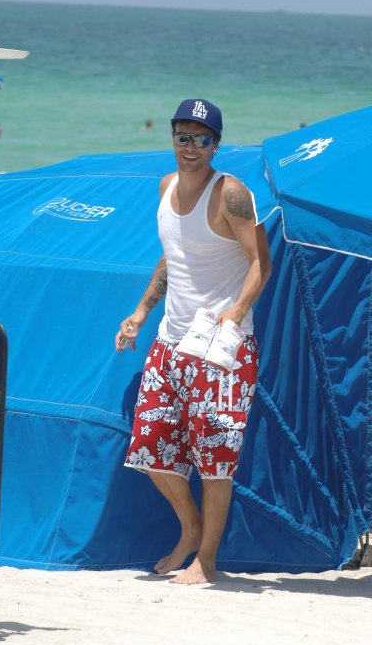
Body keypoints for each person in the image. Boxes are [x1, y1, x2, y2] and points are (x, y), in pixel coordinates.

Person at [115, 98, 272, 585]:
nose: (190, 146)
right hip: (170, 343)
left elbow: (261, 262)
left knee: (215, 459)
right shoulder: (165, 188)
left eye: (201, 138)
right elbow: (173, 255)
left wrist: (236, 312)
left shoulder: (232, 194)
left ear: (215, 144)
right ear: (172, 138)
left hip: (221, 348)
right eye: (182, 136)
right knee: (150, 447)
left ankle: (207, 560)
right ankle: (191, 530)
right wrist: (141, 311)